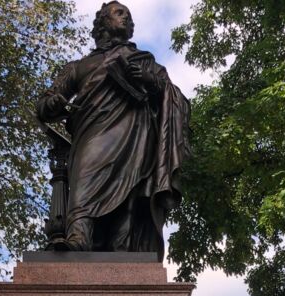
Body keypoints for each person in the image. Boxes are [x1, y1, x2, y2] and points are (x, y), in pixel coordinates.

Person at [36, 1, 190, 261]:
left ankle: (122, 251)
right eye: (120, 13)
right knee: (84, 183)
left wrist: (149, 80)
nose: (127, 19)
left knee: (129, 193)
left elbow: (175, 99)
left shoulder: (143, 62)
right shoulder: (78, 67)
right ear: (103, 23)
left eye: (129, 16)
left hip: (136, 139)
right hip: (91, 136)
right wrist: (53, 104)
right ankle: (78, 239)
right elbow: (44, 105)